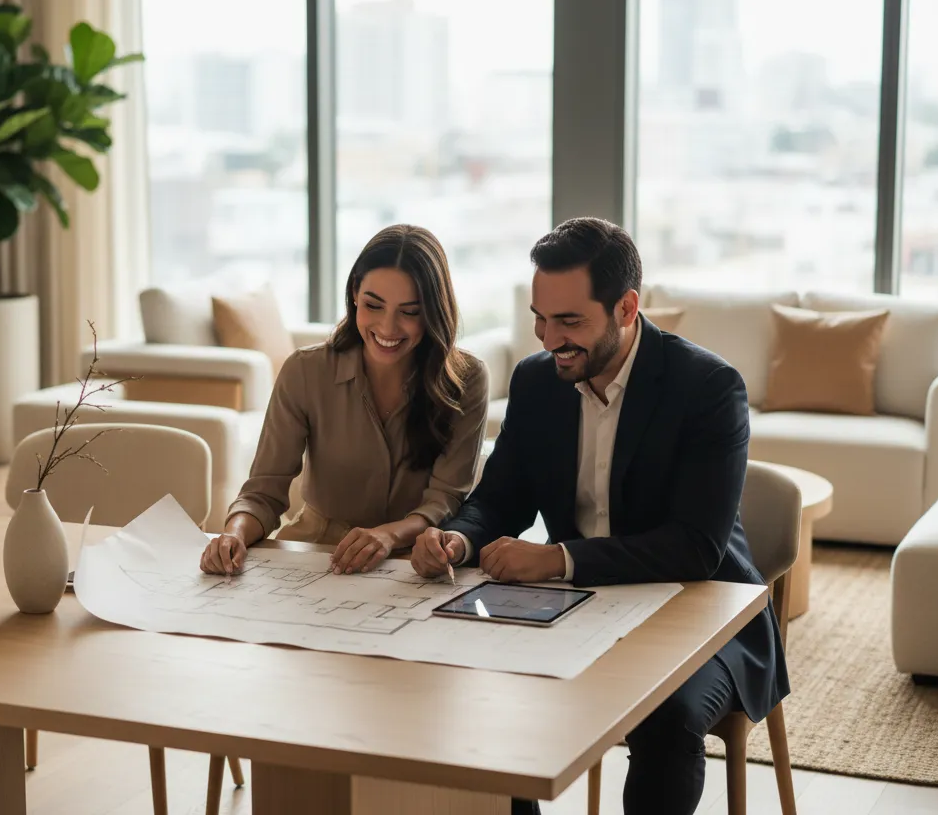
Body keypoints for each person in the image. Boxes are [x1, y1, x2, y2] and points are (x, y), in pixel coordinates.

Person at [412, 218, 789, 815]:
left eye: (569, 322)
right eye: (540, 317)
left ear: (626, 309)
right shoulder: (538, 382)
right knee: (478, 684)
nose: (547, 339)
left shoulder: (708, 387)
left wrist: (558, 558)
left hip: (703, 610)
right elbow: (500, 497)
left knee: (664, 718)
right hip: (579, 607)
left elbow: (696, 547)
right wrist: (457, 540)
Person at [200, 224, 489, 578]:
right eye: (374, 305)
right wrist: (233, 534)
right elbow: (264, 492)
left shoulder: (467, 379)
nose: (387, 327)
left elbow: (444, 500)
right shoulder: (305, 371)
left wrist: (387, 535)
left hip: (415, 558)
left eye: (409, 312)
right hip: (315, 548)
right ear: (354, 293)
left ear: (433, 310)